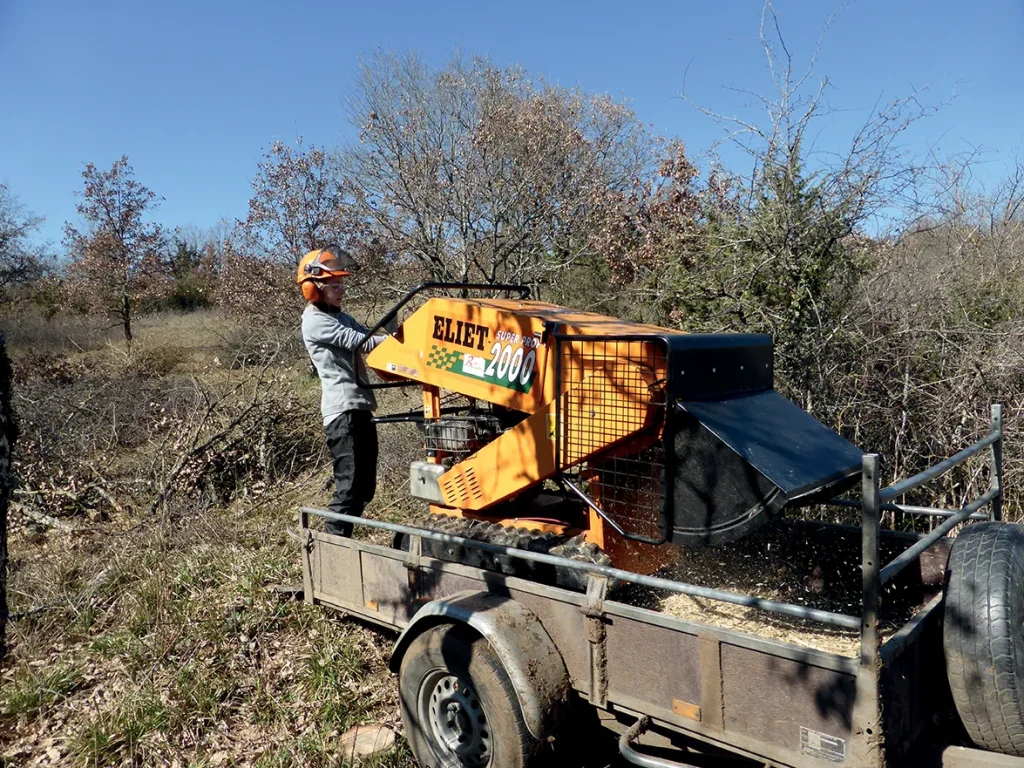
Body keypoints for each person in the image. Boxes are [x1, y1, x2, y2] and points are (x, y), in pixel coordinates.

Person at [296, 245, 387, 536]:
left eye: (340, 284)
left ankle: (341, 543)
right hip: (343, 412)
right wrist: (405, 342)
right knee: (349, 488)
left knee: (364, 488)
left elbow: (368, 333)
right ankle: (332, 548)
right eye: (334, 285)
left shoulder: (340, 316)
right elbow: (361, 341)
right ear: (314, 289)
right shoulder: (315, 321)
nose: (341, 290)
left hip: (359, 407)